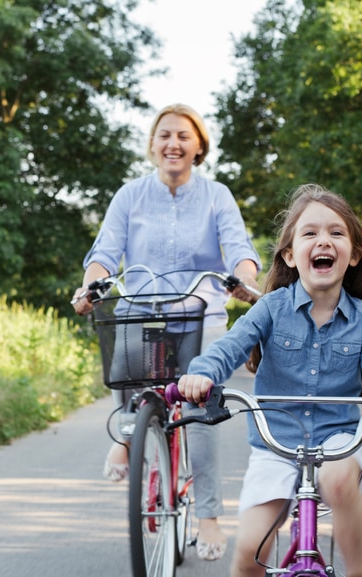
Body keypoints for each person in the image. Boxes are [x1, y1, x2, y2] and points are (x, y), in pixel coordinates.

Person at [177, 183, 362, 577]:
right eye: (310, 233)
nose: (323, 240)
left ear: (354, 255)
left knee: (338, 477)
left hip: (338, 441)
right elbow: (231, 347)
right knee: (247, 556)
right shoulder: (271, 308)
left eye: (336, 233)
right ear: (290, 254)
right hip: (275, 446)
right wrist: (201, 375)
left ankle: (359, 573)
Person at [72, 103, 262, 561]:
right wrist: (88, 286)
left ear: (199, 147)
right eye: (164, 135)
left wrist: (247, 283)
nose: (173, 143)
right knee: (124, 376)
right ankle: (129, 436)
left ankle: (210, 516)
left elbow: (238, 248)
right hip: (144, 313)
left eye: (183, 136)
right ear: (153, 145)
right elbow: (106, 251)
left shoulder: (217, 195)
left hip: (202, 314)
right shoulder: (129, 195)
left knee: (199, 415)